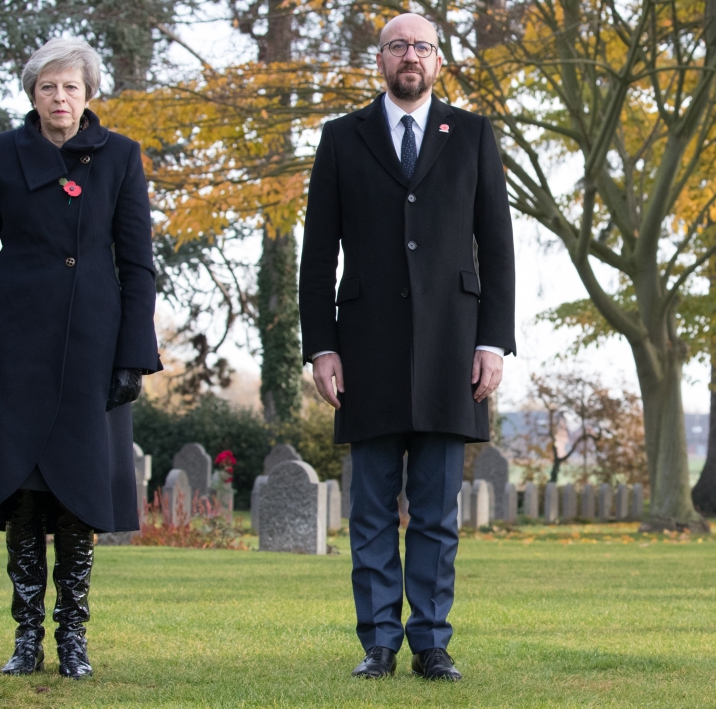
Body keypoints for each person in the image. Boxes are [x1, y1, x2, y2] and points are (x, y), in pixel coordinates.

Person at [299, 13, 515, 681]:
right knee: (369, 510)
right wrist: (321, 348)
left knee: (435, 512)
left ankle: (431, 641)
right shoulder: (341, 139)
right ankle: (378, 643)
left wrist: (494, 341)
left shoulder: (474, 135)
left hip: (454, 349)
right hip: (365, 351)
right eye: (398, 46)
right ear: (381, 60)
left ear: (438, 61)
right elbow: (317, 256)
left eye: (421, 46)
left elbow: (498, 246)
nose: (410, 56)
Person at [0, 38, 161, 677]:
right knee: (25, 496)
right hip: (12, 344)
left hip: (93, 342)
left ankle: (74, 641)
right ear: (32, 95)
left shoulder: (120, 156)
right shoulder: (1, 154)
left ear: (88, 93)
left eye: (70, 87)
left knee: (77, 496)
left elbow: (138, 263)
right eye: (47, 88)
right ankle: (27, 638)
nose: (59, 98)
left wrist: (133, 356)